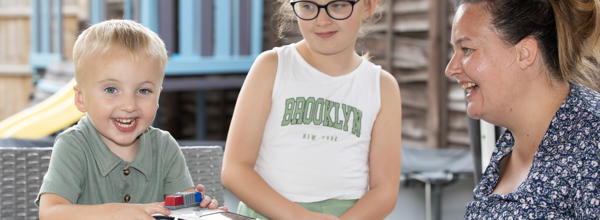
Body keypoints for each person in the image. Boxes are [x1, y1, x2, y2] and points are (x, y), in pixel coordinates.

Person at [221, 0, 403, 219]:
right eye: (308, 6)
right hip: (266, 213)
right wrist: (300, 217)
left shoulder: (382, 87)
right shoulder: (271, 67)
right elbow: (235, 170)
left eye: (337, 6)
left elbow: (384, 191)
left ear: (367, 6)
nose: (322, 20)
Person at [36, 20, 223, 220]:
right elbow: (50, 213)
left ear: (158, 97)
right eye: (111, 90)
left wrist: (198, 209)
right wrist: (116, 212)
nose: (129, 105)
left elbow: (178, 210)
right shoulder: (74, 146)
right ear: (81, 99)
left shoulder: (164, 146)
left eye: (143, 91)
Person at [445, 0, 600, 218]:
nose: (450, 69)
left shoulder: (593, 140)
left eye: (467, 49)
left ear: (525, 53)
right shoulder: (509, 147)